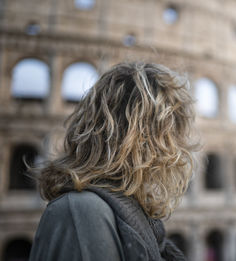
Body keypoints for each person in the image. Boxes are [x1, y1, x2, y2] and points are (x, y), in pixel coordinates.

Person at [29, 62, 199, 261]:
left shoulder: (129, 212)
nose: (179, 145)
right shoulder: (82, 215)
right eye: (171, 132)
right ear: (143, 140)